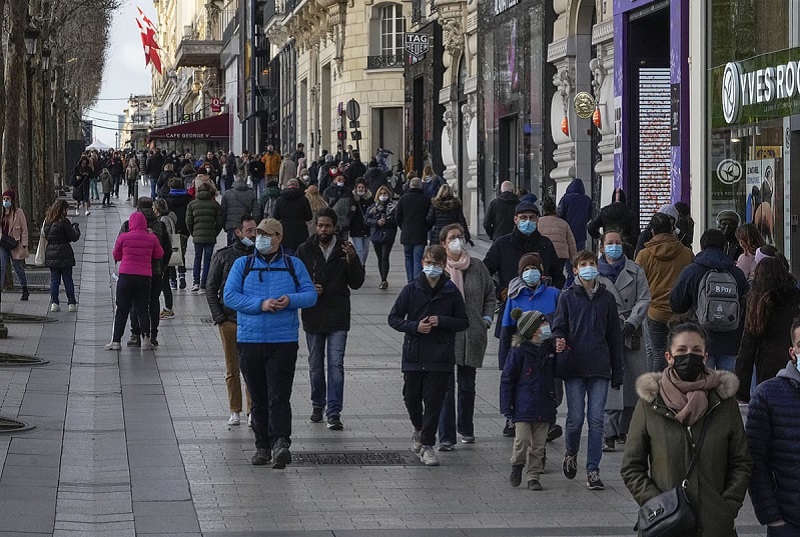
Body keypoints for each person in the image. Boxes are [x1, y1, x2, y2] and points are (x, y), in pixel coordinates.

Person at [621, 319, 752, 537]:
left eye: (696, 350)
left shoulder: (723, 402)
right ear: (669, 357)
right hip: (668, 526)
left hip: (715, 526)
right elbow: (631, 467)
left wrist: (727, 507)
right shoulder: (651, 403)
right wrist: (658, 505)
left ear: (705, 357)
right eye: (681, 350)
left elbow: (742, 461)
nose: (689, 356)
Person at [223, 218, 318, 468]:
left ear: (279, 238)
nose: (261, 238)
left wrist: (291, 299)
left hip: (282, 340)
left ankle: (280, 443)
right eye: (258, 234)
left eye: (267, 234)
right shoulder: (243, 264)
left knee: (279, 395)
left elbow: (310, 295)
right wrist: (260, 304)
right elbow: (230, 296)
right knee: (258, 396)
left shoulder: (293, 264)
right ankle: (262, 445)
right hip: (250, 340)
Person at [388, 245, 469, 466]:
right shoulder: (411, 288)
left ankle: (427, 445)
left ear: (444, 266)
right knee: (411, 397)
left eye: (436, 264)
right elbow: (394, 318)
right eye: (428, 263)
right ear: (422, 263)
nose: (431, 267)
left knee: (434, 402)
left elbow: (463, 321)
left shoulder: (451, 291)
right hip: (414, 354)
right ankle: (418, 428)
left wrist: (441, 321)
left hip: (440, 356)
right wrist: (415, 327)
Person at [553, 250, 624, 490]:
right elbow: (558, 327)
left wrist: (618, 372)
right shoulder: (567, 297)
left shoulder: (606, 298)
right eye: (583, 264)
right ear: (575, 269)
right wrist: (559, 339)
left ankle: (593, 469)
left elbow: (614, 336)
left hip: (600, 367)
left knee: (596, 420)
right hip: (574, 366)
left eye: (592, 263)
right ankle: (571, 452)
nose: (588, 268)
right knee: (575, 419)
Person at [296, 208, 365, 430]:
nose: (323, 229)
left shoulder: (345, 249)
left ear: (335, 227)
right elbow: (294, 279)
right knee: (315, 365)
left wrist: (353, 261)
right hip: (314, 315)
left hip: (337, 314)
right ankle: (318, 404)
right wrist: (307, 288)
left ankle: (334, 411)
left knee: (336, 365)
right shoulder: (305, 249)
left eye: (327, 225)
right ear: (315, 226)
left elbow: (356, 283)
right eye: (320, 225)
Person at [436, 224, 495, 449]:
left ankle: (466, 428)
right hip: (445, 336)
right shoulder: (440, 269)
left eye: (460, 237)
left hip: (472, 334)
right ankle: (446, 436)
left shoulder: (478, 267)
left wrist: (486, 318)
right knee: (446, 386)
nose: (457, 241)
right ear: (443, 243)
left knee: (467, 384)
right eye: (452, 238)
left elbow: (490, 294)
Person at [745, 316, 800, 537]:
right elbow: (754, 460)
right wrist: (773, 518)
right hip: (789, 522)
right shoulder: (767, 395)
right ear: (792, 352)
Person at [597, 230, 651, 451]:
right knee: (611, 382)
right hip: (605, 334)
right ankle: (608, 432)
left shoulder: (635, 270)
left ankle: (625, 429)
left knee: (632, 383)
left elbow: (645, 297)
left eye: (618, 242)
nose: (614, 246)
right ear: (602, 247)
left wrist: (633, 321)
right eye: (610, 243)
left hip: (632, 334)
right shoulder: (594, 272)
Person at [669, 229, 748, 373]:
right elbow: (746, 302)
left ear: (702, 246)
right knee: (728, 388)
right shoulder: (737, 273)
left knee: (702, 385)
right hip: (731, 340)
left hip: (700, 339)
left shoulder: (691, 271)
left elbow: (676, 304)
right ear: (724, 246)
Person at [484, 202, 564, 340]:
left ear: (538, 219)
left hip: (543, 314)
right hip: (513, 310)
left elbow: (558, 274)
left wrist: (551, 292)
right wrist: (500, 292)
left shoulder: (545, 244)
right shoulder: (502, 244)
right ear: (516, 219)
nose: (528, 221)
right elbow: (484, 273)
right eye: (523, 218)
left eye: (532, 218)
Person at [206, 215, 256, 426]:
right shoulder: (224, 256)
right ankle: (235, 409)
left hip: (252, 320)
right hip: (230, 320)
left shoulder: (260, 256)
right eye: (250, 231)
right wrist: (220, 318)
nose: (254, 235)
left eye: (255, 230)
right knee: (232, 367)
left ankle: (252, 409)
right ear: (238, 232)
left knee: (252, 368)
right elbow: (211, 287)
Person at [500, 309, 557, 491]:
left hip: (545, 404)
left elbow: (560, 368)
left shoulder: (550, 349)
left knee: (539, 445)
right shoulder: (519, 352)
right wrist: (506, 405)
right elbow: (508, 379)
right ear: (533, 330)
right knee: (522, 440)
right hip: (523, 405)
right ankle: (517, 464)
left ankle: (534, 474)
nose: (547, 326)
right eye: (542, 324)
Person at [635, 213, 694, 372]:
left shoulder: (644, 255)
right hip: (681, 313)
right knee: (680, 353)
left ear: (653, 232)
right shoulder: (686, 253)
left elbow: (637, 284)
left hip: (654, 312)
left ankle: (656, 392)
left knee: (658, 354)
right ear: (672, 230)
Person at [735, 258, 800, 402]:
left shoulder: (757, 302)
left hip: (767, 367)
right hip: (794, 362)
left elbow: (747, 348)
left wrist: (741, 391)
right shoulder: (796, 297)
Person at [104, 212, 164, 350]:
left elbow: (116, 255)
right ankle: (146, 340)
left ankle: (116, 341)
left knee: (121, 309)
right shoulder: (151, 238)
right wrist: (152, 236)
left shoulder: (124, 237)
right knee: (142, 309)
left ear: (131, 223)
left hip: (126, 277)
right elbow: (159, 254)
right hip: (144, 278)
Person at [120, 198, 172, 348]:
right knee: (153, 303)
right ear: (152, 207)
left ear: (137, 208)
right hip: (155, 272)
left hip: (134, 271)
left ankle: (135, 334)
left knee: (135, 304)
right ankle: (152, 335)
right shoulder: (160, 225)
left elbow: (120, 246)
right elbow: (167, 249)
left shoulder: (127, 225)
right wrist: (162, 267)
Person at [43, 200, 80, 312]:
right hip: (64, 253)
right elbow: (73, 237)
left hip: (51, 253)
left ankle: (54, 303)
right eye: (66, 209)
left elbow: (46, 236)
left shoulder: (48, 222)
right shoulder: (64, 222)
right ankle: (71, 303)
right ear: (63, 209)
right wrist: (76, 229)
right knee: (68, 279)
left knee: (54, 279)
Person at [186, 182, 223, 292]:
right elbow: (220, 221)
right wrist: (214, 232)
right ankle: (204, 283)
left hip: (197, 235)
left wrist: (193, 232)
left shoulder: (192, 204)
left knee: (197, 258)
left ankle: (195, 282)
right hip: (210, 236)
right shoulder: (215, 205)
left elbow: (188, 221)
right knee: (207, 260)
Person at [394, 177, 432, 283]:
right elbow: (430, 217)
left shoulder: (403, 199)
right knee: (418, 259)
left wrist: (403, 226)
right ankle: (416, 281)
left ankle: (410, 281)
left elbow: (397, 217)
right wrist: (426, 227)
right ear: (421, 186)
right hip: (420, 232)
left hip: (407, 232)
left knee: (408, 258)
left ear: (410, 185)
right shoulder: (426, 199)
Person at [587, 188, 639, 258]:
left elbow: (591, 227)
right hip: (625, 247)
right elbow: (636, 233)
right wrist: (630, 244)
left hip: (608, 245)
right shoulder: (630, 213)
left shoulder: (604, 212)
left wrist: (602, 238)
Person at [537, 196, 577, 287]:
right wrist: (574, 259)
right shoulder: (563, 223)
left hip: (543, 253)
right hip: (560, 254)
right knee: (557, 275)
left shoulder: (538, 222)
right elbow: (571, 242)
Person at [364, 185, 397, 289]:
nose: (383, 195)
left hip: (388, 234)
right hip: (376, 234)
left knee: (384, 256)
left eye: (385, 193)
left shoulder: (393, 207)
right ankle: (382, 277)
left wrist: (387, 222)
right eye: (381, 194)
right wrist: (376, 222)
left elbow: (397, 219)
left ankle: (384, 279)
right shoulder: (373, 207)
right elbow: (366, 219)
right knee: (379, 257)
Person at [1, 190, 29, 300]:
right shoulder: (1, 212)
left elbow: (24, 229)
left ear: (12, 200)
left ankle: (25, 289)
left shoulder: (19, 213)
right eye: (3, 199)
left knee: (18, 268)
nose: (5, 201)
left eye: (7, 199)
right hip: (3, 243)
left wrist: (24, 244)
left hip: (15, 243)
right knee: (1, 267)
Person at [164, 178, 192, 290]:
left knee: (171, 253)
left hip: (170, 229)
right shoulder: (188, 199)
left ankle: (173, 280)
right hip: (184, 229)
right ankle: (181, 276)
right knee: (181, 252)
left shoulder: (166, 199)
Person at [274, 178, 313, 255]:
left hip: (285, 232)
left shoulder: (280, 199)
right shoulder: (303, 199)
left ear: (287, 186)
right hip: (301, 232)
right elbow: (309, 217)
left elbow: (276, 216)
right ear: (298, 186)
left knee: (287, 257)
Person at [155, 199, 177, 319]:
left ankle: (169, 309)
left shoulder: (164, 220)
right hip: (166, 254)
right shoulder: (167, 217)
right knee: (164, 283)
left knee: (164, 283)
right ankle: (167, 308)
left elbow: (167, 236)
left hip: (165, 254)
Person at [221, 175, 260, 245]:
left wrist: (225, 226)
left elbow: (223, 212)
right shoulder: (251, 194)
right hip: (245, 227)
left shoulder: (227, 194)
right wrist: (253, 226)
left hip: (231, 225)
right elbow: (256, 213)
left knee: (231, 249)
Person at [556, 178, 592, 250]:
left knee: (568, 254)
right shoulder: (587, 199)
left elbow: (560, 213)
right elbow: (590, 215)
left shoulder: (565, 198)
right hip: (581, 232)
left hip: (567, 231)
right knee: (579, 255)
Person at [322, 174, 355, 240]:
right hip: (333, 222)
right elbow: (325, 206)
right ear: (334, 180)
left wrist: (349, 218)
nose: (341, 181)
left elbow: (352, 206)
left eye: (343, 180)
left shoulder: (348, 191)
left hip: (345, 221)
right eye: (339, 179)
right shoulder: (328, 191)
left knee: (344, 242)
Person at [349, 180, 372, 265]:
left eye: (362, 187)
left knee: (366, 249)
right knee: (359, 249)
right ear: (356, 188)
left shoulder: (370, 199)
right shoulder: (352, 199)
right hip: (355, 227)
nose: (361, 189)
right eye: (359, 187)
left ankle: (363, 264)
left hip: (367, 227)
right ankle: (360, 267)